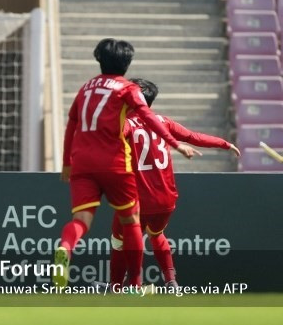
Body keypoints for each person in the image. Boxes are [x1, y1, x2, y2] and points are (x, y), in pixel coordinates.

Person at [55, 38, 197, 289]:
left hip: (82, 163)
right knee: (131, 221)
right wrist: (175, 144)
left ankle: (65, 248)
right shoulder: (127, 88)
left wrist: (67, 162)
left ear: (99, 59)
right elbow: (148, 118)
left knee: (82, 220)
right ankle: (135, 284)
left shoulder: (85, 88)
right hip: (113, 162)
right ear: (127, 63)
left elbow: (71, 125)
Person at [108, 78, 240, 289]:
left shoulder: (126, 124)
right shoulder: (164, 122)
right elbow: (193, 136)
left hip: (138, 201)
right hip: (166, 200)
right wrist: (225, 144)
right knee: (156, 234)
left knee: (119, 239)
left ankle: (117, 286)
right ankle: (171, 282)